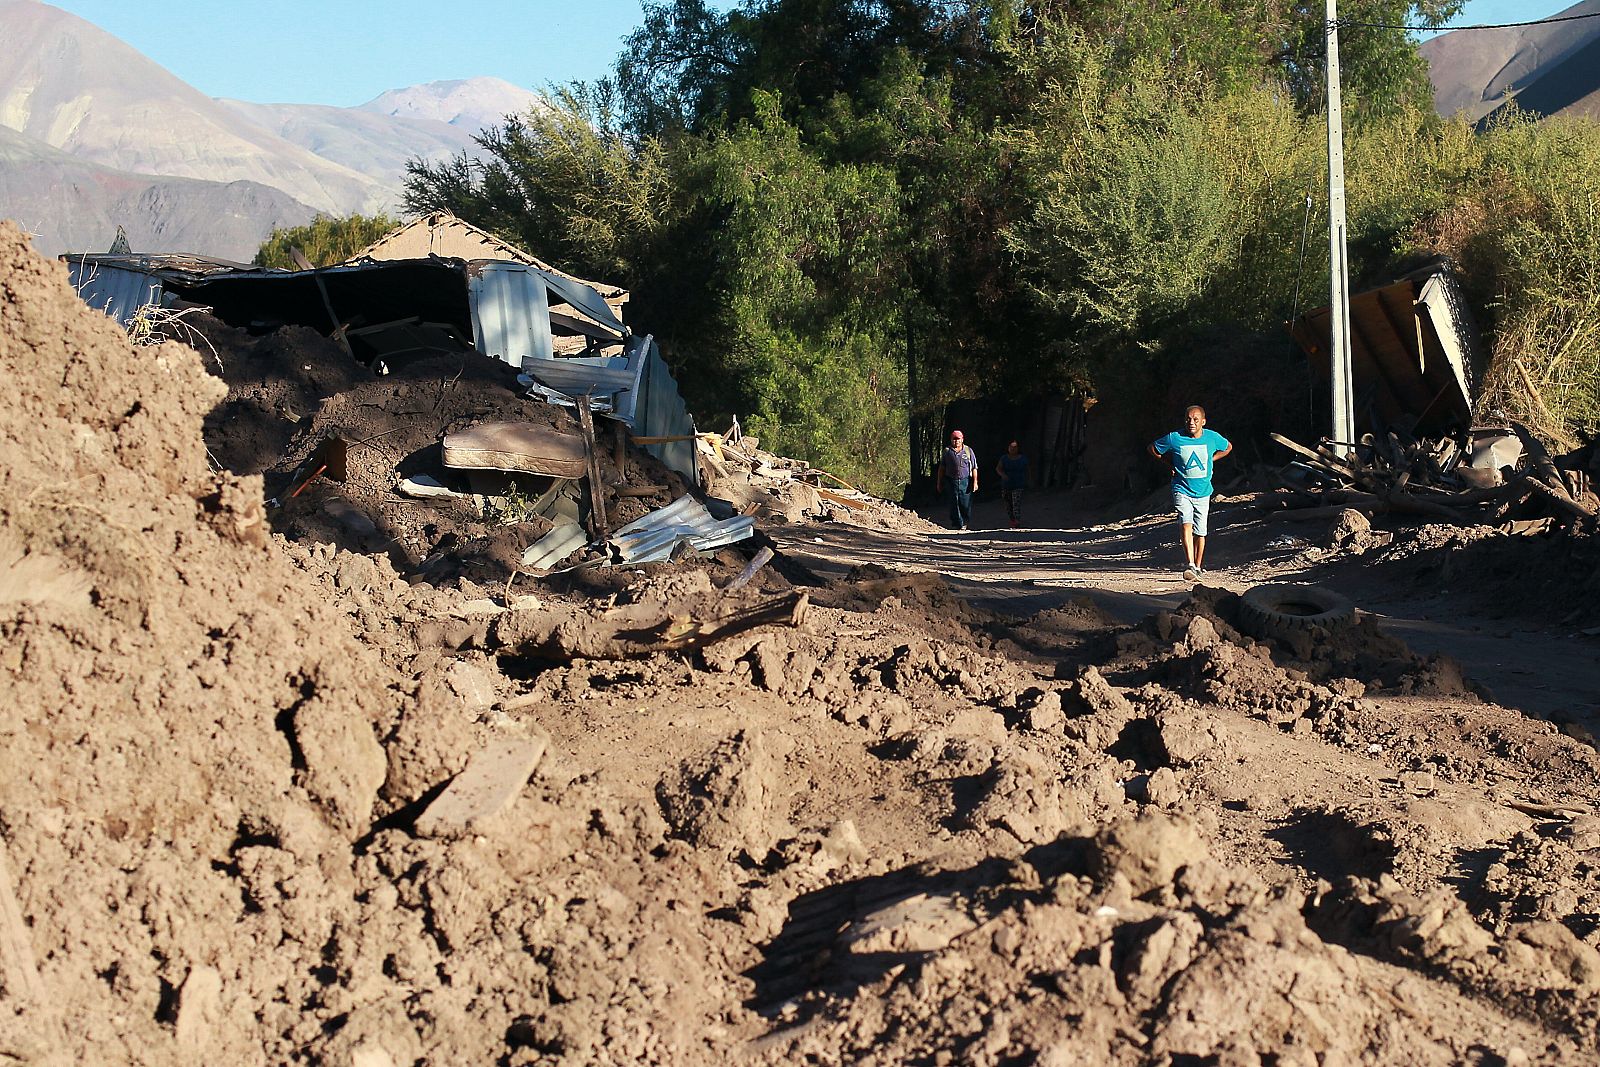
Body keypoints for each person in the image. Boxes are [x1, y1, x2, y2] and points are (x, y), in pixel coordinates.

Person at [1148, 405, 1232, 582]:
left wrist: (1212, 459)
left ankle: (1198, 567)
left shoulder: (1212, 437)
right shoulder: (1174, 438)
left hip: (1203, 491)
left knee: (1200, 531)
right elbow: (1153, 448)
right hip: (1181, 488)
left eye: (1195, 419)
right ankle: (1190, 564)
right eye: (1188, 419)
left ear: (1203, 421)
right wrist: (1169, 465)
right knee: (1185, 522)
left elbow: (1228, 447)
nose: (1191, 422)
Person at [936, 429, 977, 530]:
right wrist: (939, 482)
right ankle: (957, 524)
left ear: (962, 439)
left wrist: (975, 482)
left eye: (958, 439)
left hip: (965, 481)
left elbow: (974, 467)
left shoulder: (968, 451)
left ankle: (965, 521)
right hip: (951, 481)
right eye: (954, 439)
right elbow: (942, 468)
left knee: (965, 503)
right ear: (951, 440)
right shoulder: (947, 452)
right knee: (953, 502)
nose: (956, 441)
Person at [995, 440, 1028, 529]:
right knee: (1008, 504)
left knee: (1016, 503)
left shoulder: (1022, 459)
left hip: (1018, 484)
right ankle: (1012, 520)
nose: (1013, 449)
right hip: (1006, 484)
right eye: (1011, 447)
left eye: (1015, 447)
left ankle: (1017, 521)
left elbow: (1028, 469)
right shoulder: (1004, 458)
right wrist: (1003, 475)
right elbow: (998, 468)